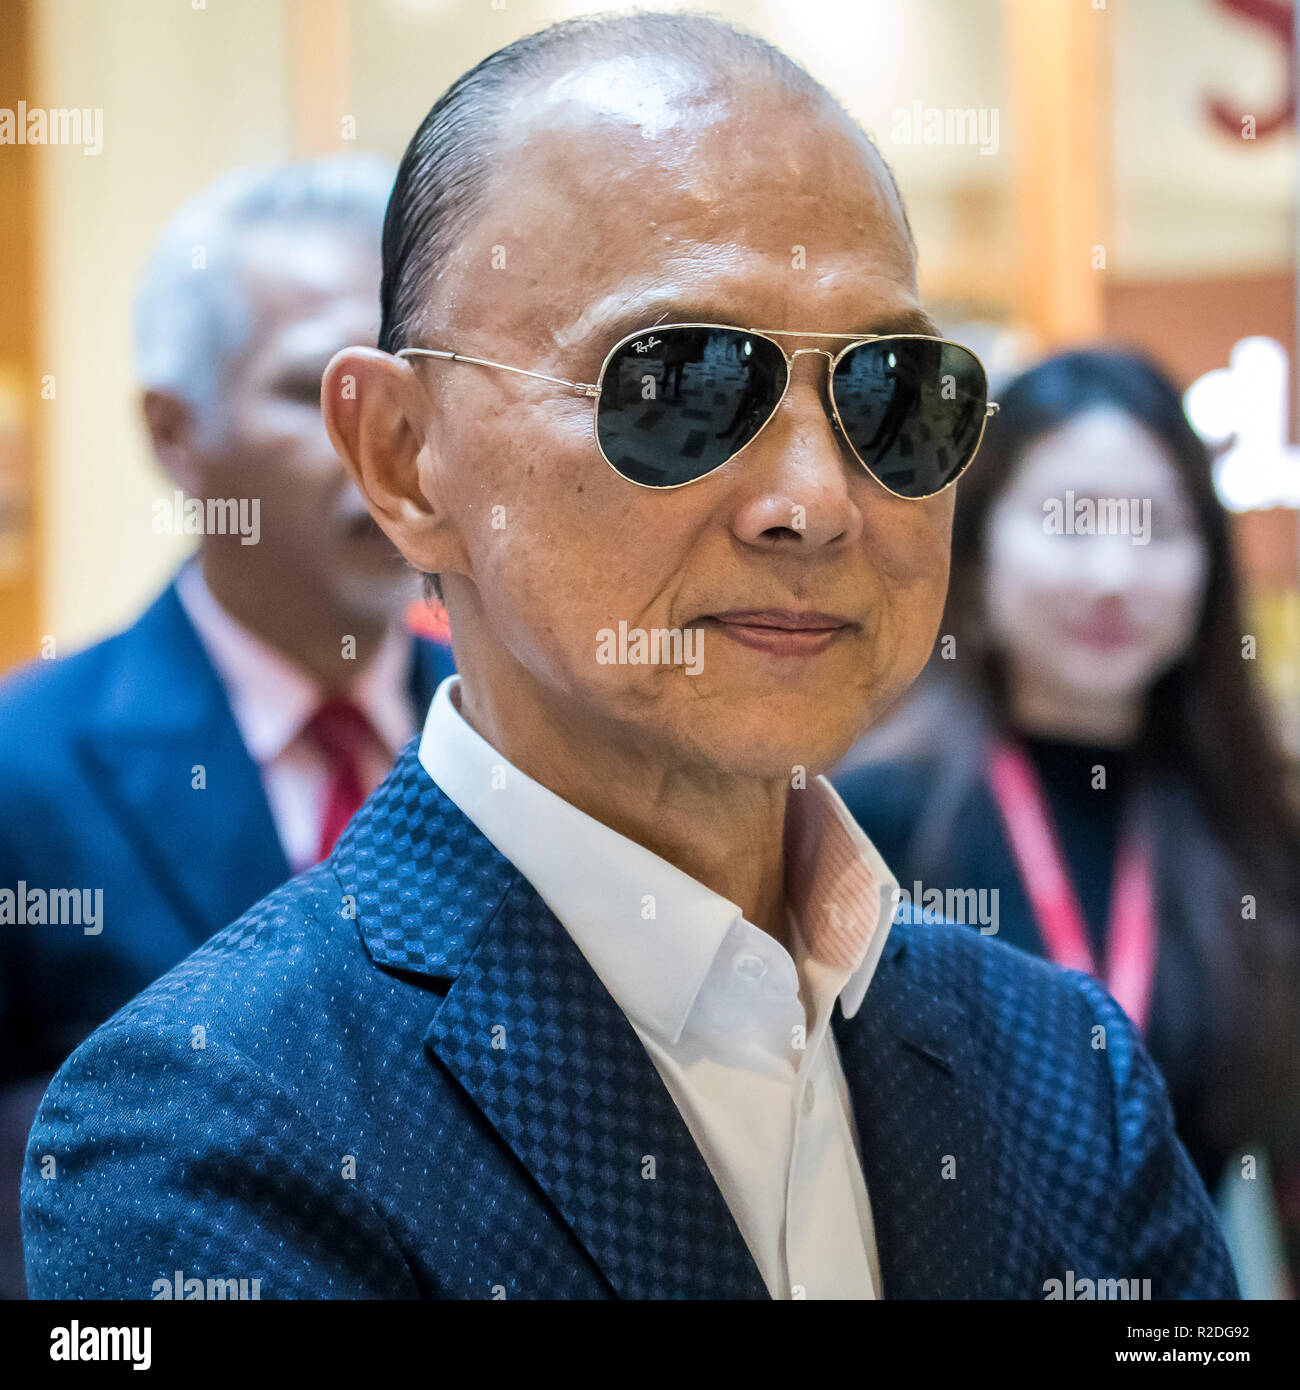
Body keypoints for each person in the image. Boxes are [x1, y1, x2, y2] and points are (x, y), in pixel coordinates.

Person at [23, 14, 1237, 1300]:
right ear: (401, 454)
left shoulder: (1066, 1069)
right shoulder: (212, 1125)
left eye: (889, 392)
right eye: (683, 386)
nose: (816, 501)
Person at [0, 157, 454, 1298]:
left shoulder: (530, 737)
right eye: (315, 393)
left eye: (411, 395)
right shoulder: (26, 767)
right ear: (175, 433)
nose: (385, 448)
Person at [835, 348, 1300, 1255]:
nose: (1113, 576)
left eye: (1158, 528)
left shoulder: (1248, 826)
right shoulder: (866, 819)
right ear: (976, 551)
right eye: (1068, 521)